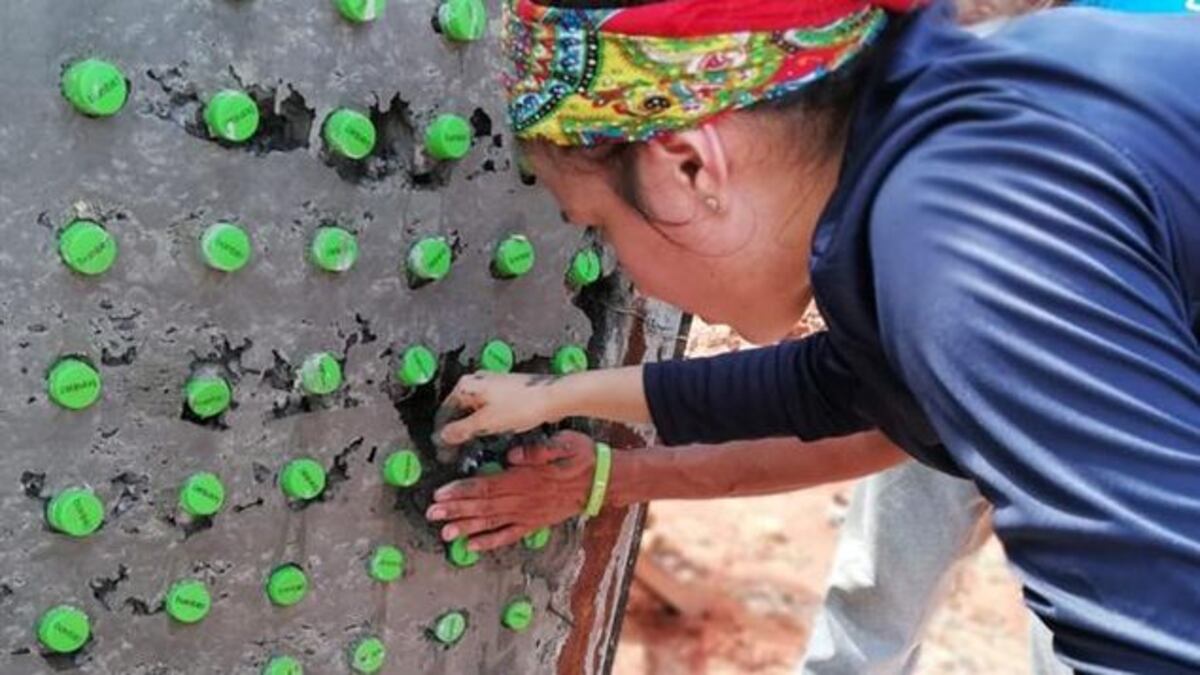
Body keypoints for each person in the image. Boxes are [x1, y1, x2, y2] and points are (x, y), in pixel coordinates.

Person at [425, 0, 1200, 671]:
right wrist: (559, 396)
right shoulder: (941, 123)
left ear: (688, 168)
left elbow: (1160, 642)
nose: (622, 264)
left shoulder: (955, 245)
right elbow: (841, 389)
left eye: (597, 228)